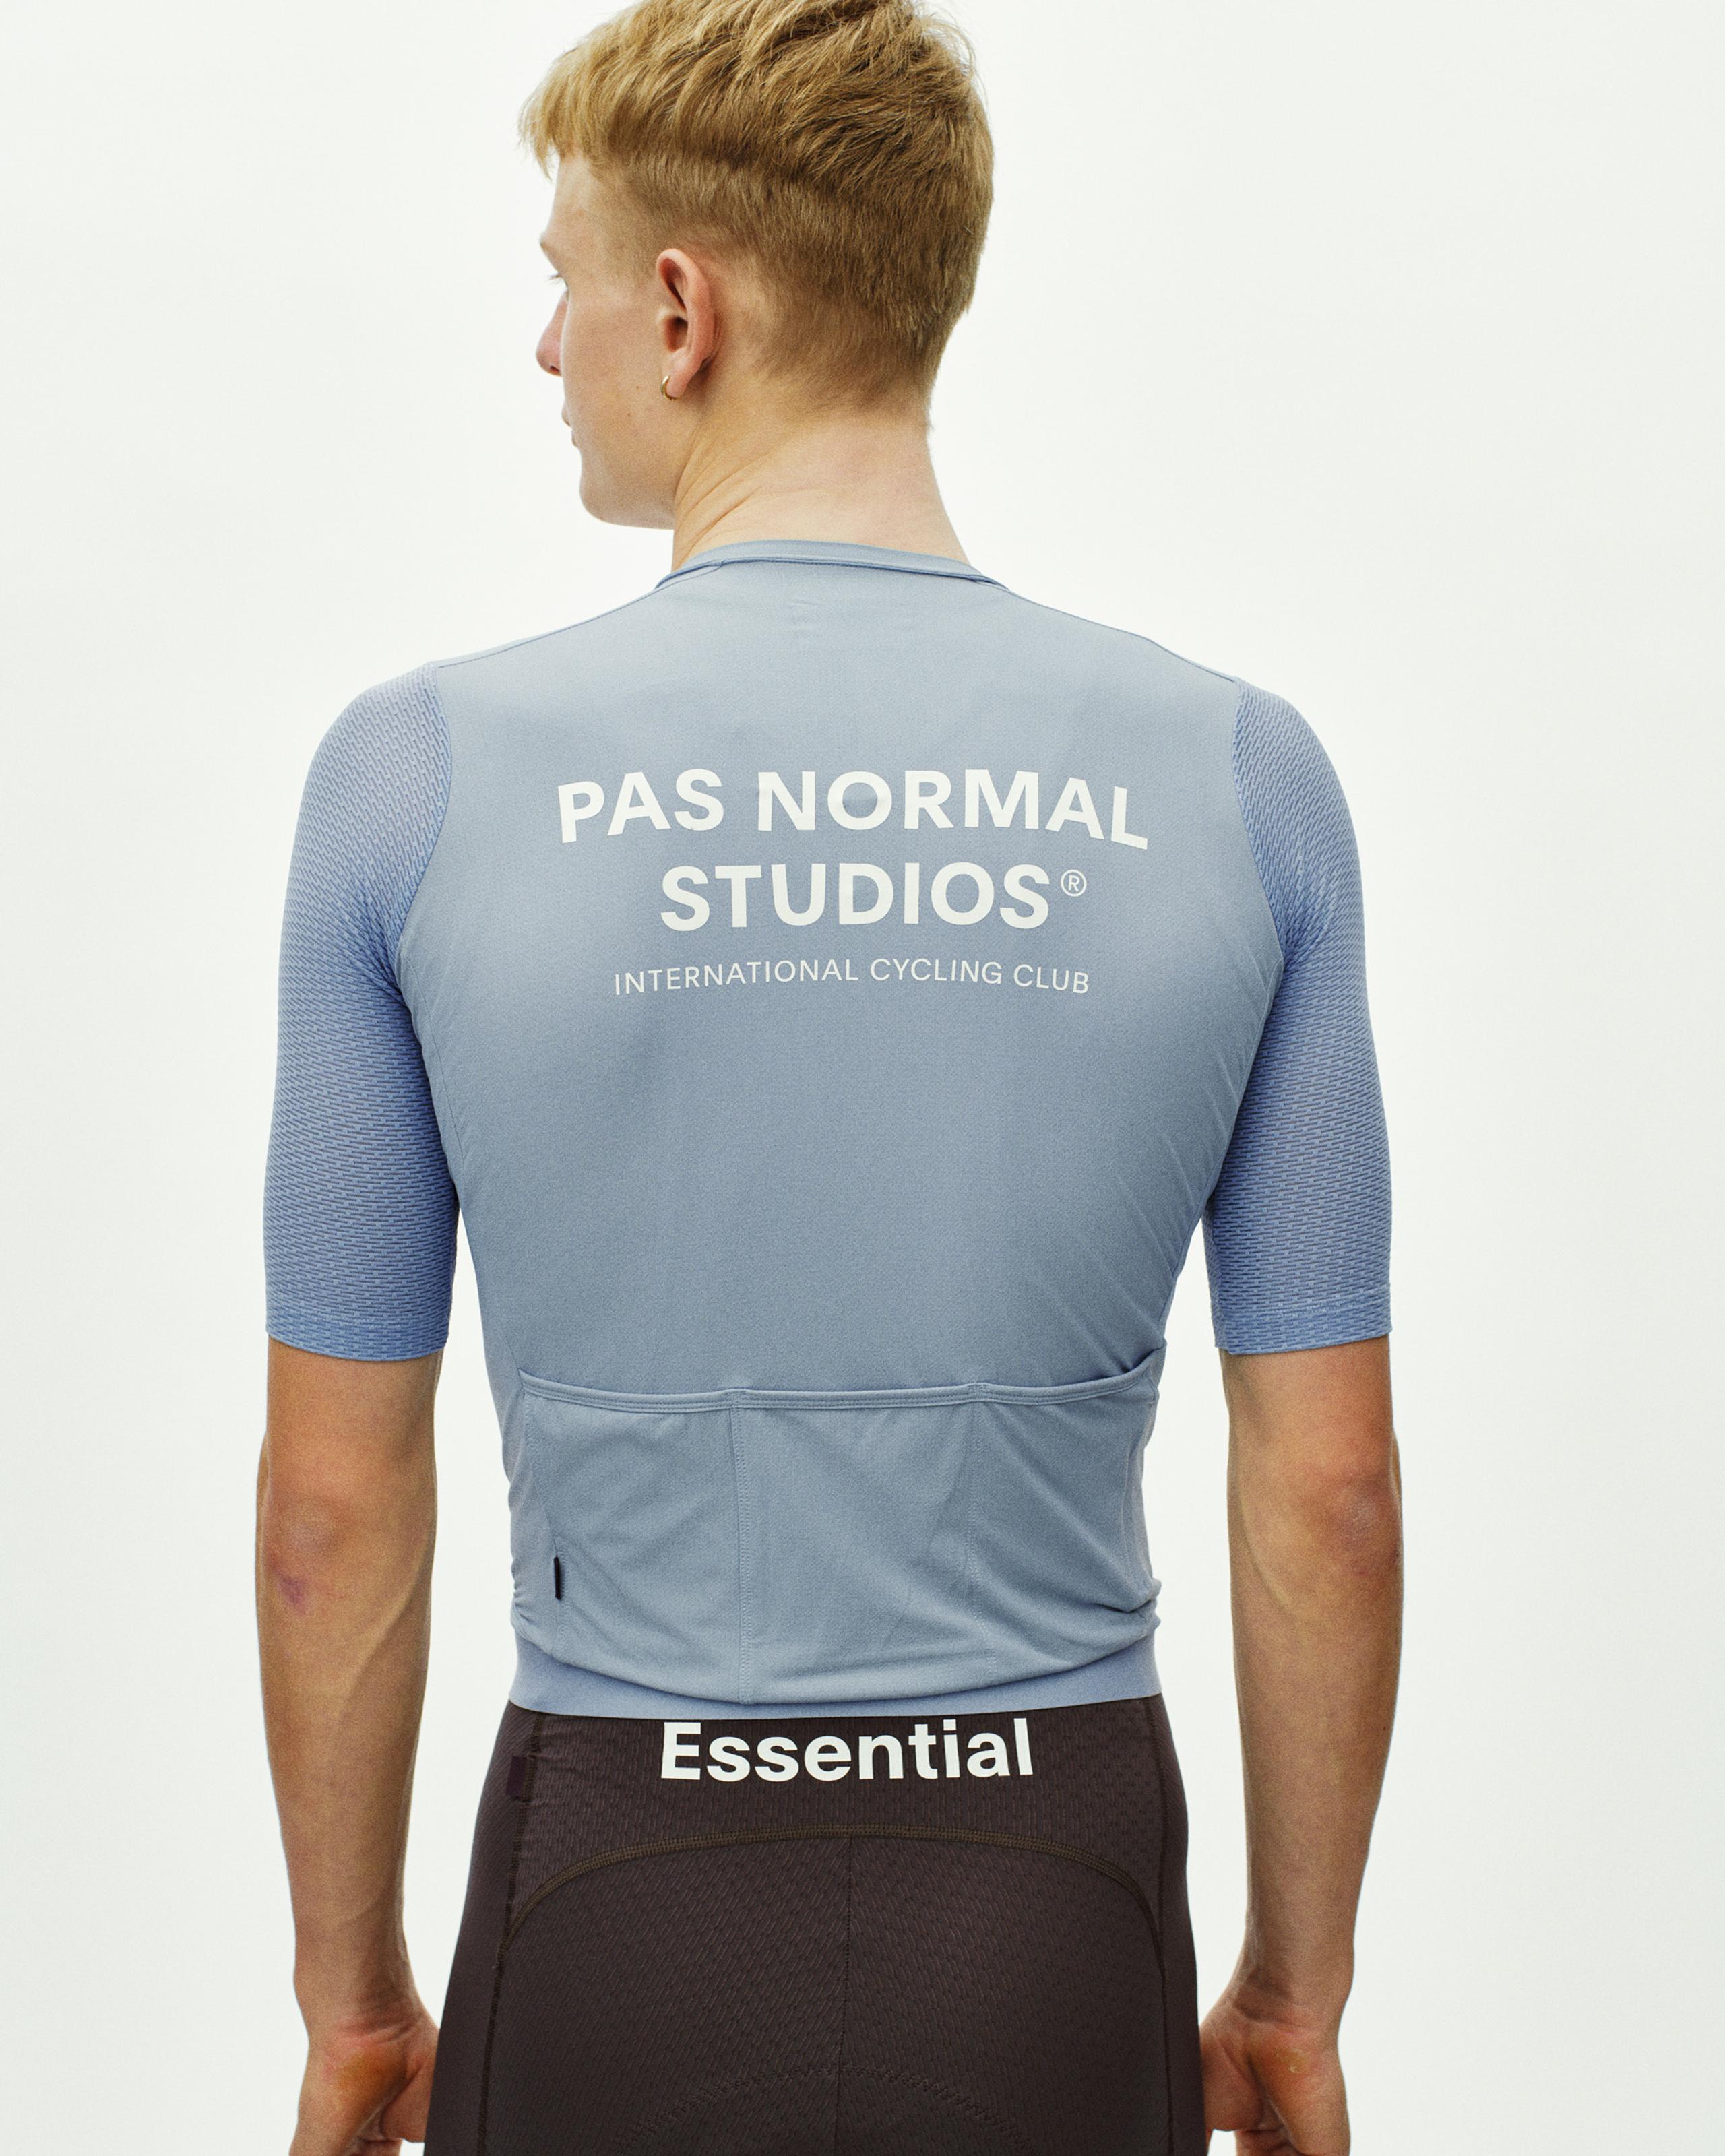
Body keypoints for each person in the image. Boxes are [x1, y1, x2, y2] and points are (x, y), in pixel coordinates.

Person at [255, 1, 1403, 2150]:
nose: (549, 346)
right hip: (1057, 1889)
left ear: (683, 312)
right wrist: (1292, 1993)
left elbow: (333, 1514)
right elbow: (1328, 1489)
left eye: (567, 281)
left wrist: (351, 2003)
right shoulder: (1241, 779)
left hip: (611, 1880)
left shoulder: (416, 780)